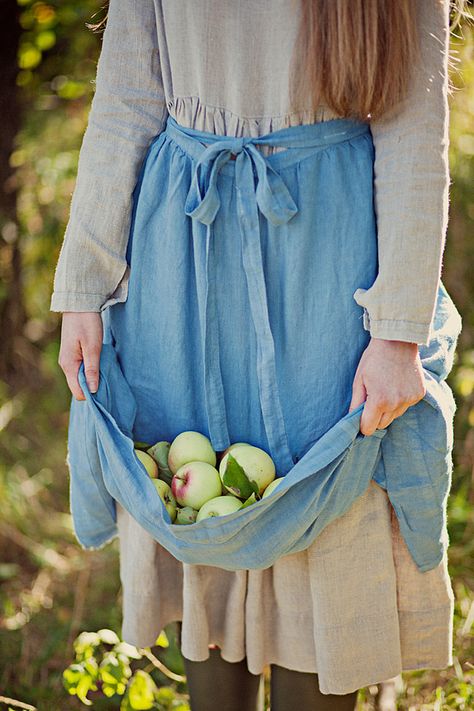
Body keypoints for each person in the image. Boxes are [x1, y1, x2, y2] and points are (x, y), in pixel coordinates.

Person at [50, 1, 464, 709]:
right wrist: (83, 287)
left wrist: (396, 331)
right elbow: (128, 97)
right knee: (202, 516)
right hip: (182, 265)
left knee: (325, 519)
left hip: (329, 277)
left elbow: (414, 131)